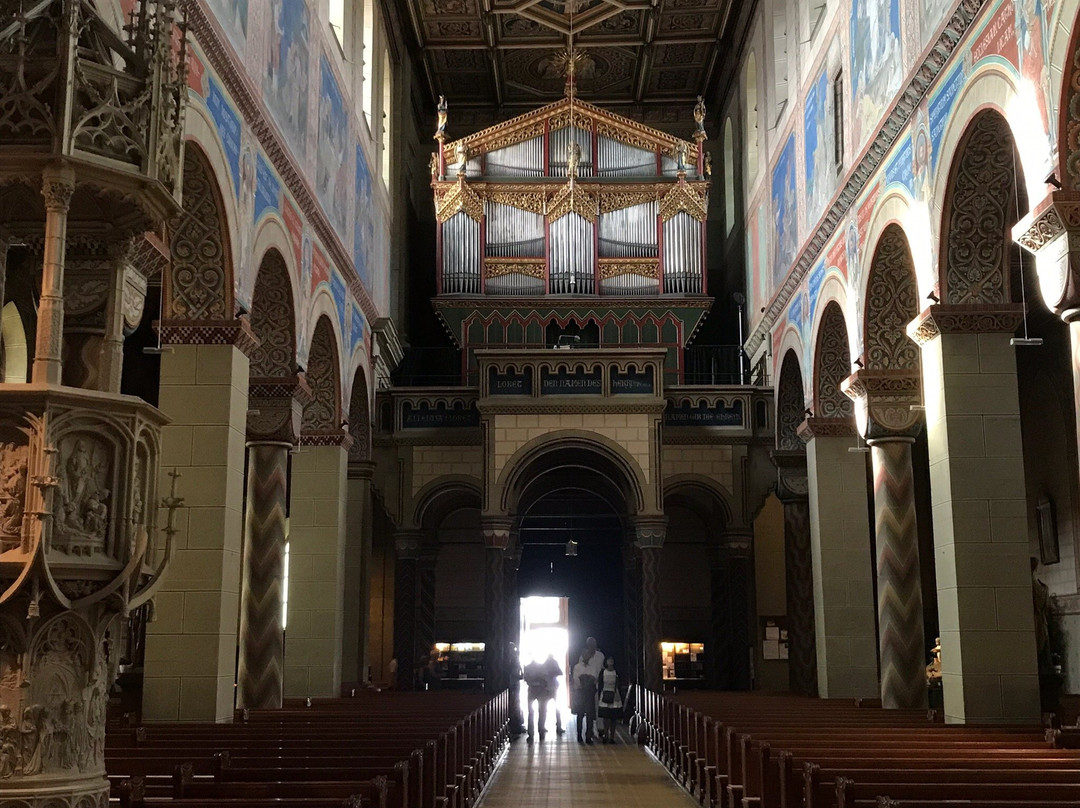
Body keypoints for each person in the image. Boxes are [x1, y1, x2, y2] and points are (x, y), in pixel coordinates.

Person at [572, 637, 604, 744]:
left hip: (590, 692)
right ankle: (579, 735)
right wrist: (583, 682)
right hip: (581, 692)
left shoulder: (593, 666)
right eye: (585, 655)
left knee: (590, 715)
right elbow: (576, 679)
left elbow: (595, 677)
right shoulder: (577, 667)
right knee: (580, 715)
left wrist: (589, 680)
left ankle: (588, 736)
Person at [596, 656, 623, 743]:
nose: (610, 662)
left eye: (612, 660)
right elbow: (600, 684)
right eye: (609, 660)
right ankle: (606, 735)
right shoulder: (603, 672)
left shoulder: (616, 672)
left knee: (613, 718)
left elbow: (619, 683)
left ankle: (612, 736)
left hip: (615, 696)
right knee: (606, 717)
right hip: (605, 695)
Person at [522, 657, 548, 742]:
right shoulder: (541, 667)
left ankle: (531, 734)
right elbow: (545, 679)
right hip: (539, 691)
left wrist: (533, 679)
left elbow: (526, 679)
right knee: (541, 711)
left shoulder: (528, 667)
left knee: (532, 713)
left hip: (532, 690)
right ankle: (540, 731)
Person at [540, 653, 565, 736]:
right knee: (544, 709)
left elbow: (560, 672)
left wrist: (553, 672)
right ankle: (542, 726)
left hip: (552, 688)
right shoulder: (545, 665)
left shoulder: (552, 663)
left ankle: (557, 726)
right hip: (547, 688)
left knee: (552, 709)